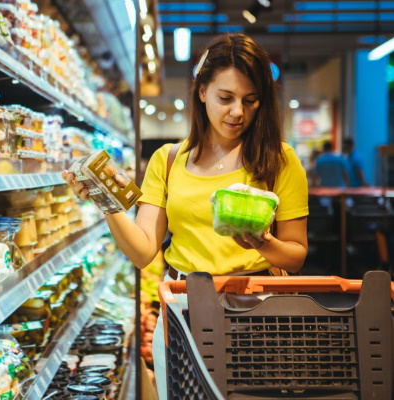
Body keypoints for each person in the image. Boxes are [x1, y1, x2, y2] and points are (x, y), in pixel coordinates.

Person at [63, 33, 309, 399]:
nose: (237, 112)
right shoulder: (168, 160)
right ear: (202, 91)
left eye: (250, 100)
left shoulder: (279, 160)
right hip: (183, 309)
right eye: (226, 98)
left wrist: (264, 242)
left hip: (257, 312)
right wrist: (107, 202)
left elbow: (297, 254)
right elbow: (143, 251)